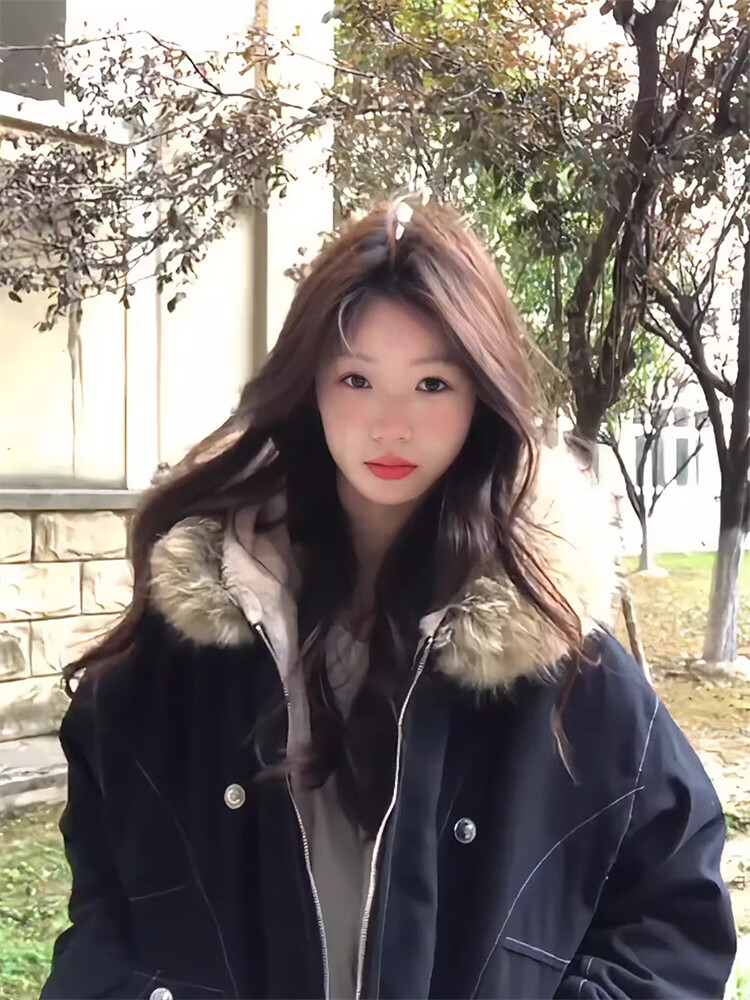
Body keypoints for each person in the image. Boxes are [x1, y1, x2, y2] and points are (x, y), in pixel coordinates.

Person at [42, 198, 735, 1000]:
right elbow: (105, 917)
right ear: (309, 386)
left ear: (481, 395)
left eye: (432, 383)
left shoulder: (558, 658)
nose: (391, 426)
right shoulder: (184, 657)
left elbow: (673, 915)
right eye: (357, 379)